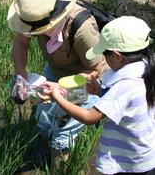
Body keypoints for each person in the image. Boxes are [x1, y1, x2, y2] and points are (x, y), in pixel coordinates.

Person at [7, 0, 107, 167]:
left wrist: (59, 89)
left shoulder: (81, 28)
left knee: (63, 133)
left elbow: (97, 70)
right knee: (43, 120)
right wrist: (21, 75)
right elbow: (21, 42)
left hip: (83, 80)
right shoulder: (33, 15)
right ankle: (39, 159)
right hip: (54, 70)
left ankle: (58, 168)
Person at [41, 16, 155, 174]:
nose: (105, 61)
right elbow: (127, 102)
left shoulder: (124, 85)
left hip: (128, 163)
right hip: (146, 155)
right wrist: (99, 90)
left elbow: (89, 117)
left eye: (105, 56)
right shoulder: (145, 69)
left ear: (116, 56)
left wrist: (57, 97)